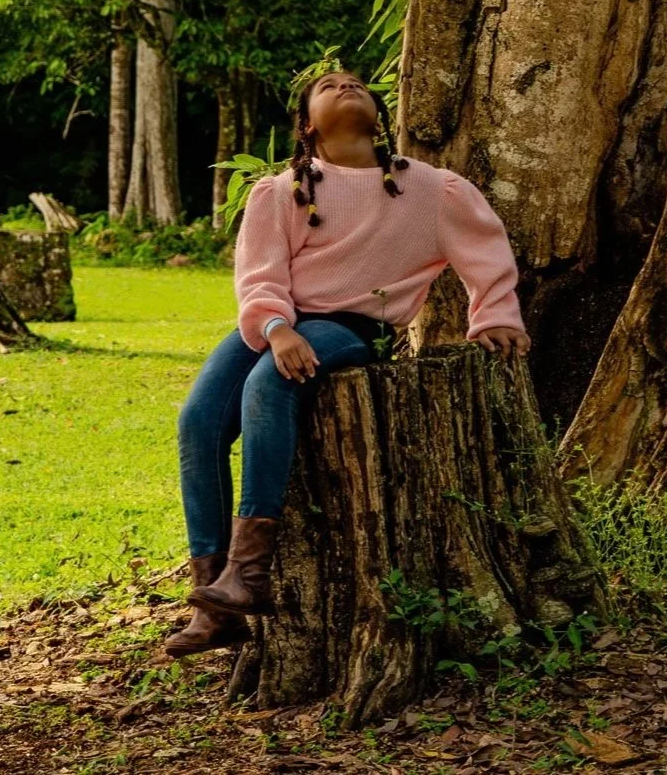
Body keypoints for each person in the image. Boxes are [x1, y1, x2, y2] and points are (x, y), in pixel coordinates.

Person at [164, 63, 530, 657]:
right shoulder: (283, 192)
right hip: (278, 322)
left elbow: (486, 254)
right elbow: (259, 278)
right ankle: (213, 601)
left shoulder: (433, 190)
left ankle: (250, 571)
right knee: (197, 423)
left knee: (268, 389)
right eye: (328, 87)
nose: (346, 87)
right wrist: (279, 329)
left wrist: (494, 316)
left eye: (357, 85)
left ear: (379, 117)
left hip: (355, 326)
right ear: (308, 125)